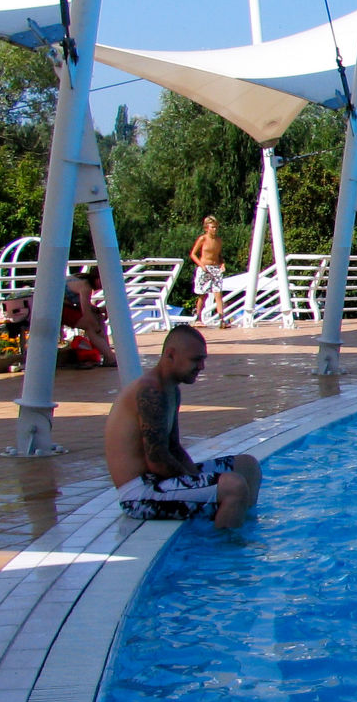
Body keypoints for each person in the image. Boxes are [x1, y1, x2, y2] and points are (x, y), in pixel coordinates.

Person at [103, 325, 260, 527]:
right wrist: (200, 483)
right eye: (196, 359)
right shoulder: (150, 391)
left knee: (247, 466)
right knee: (234, 486)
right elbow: (157, 462)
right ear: (171, 355)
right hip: (139, 494)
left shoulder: (170, 389)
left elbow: (173, 447)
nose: (202, 366)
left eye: (203, 359)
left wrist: (199, 479)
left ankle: (240, 523)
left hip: (156, 482)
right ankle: (227, 547)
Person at [189, 216, 226, 327]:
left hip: (216, 268)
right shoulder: (202, 239)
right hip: (205, 267)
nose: (214, 229)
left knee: (218, 294)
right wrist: (201, 265)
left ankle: (221, 320)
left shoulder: (218, 240)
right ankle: (198, 318)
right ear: (206, 228)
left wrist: (222, 264)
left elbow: (219, 256)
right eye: (212, 227)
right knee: (203, 295)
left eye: (216, 227)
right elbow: (193, 254)